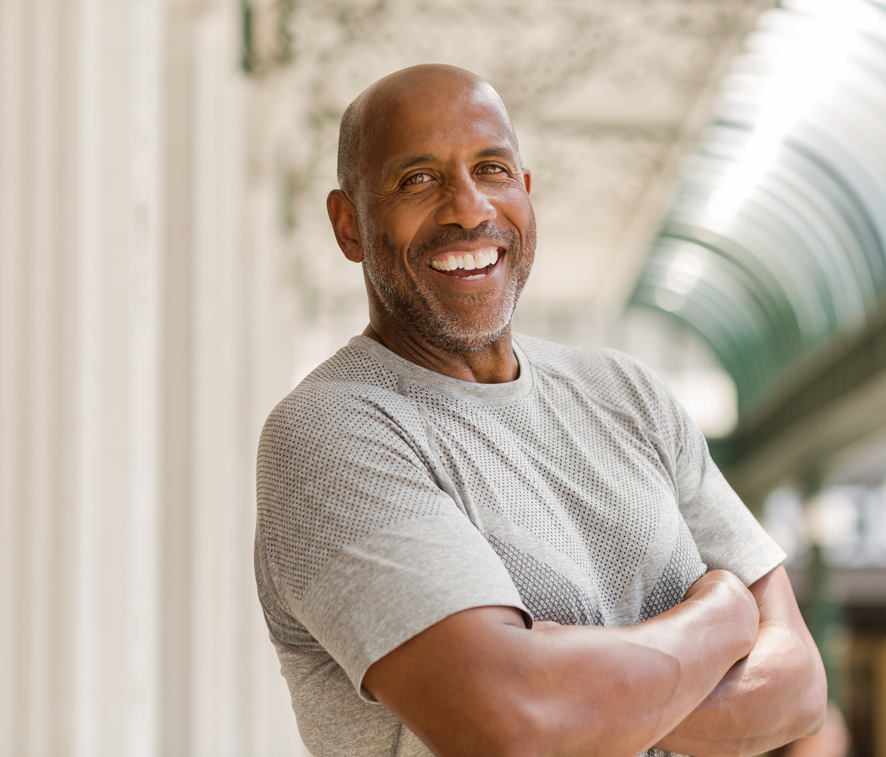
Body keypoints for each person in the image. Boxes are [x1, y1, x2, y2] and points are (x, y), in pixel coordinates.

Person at [254, 63, 827, 757]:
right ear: (348, 224)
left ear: (525, 192)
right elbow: (512, 723)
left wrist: (580, 693)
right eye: (418, 179)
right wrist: (721, 614)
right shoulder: (332, 433)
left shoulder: (629, 393)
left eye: (490, 169)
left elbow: (796, 688)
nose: (468, 209)